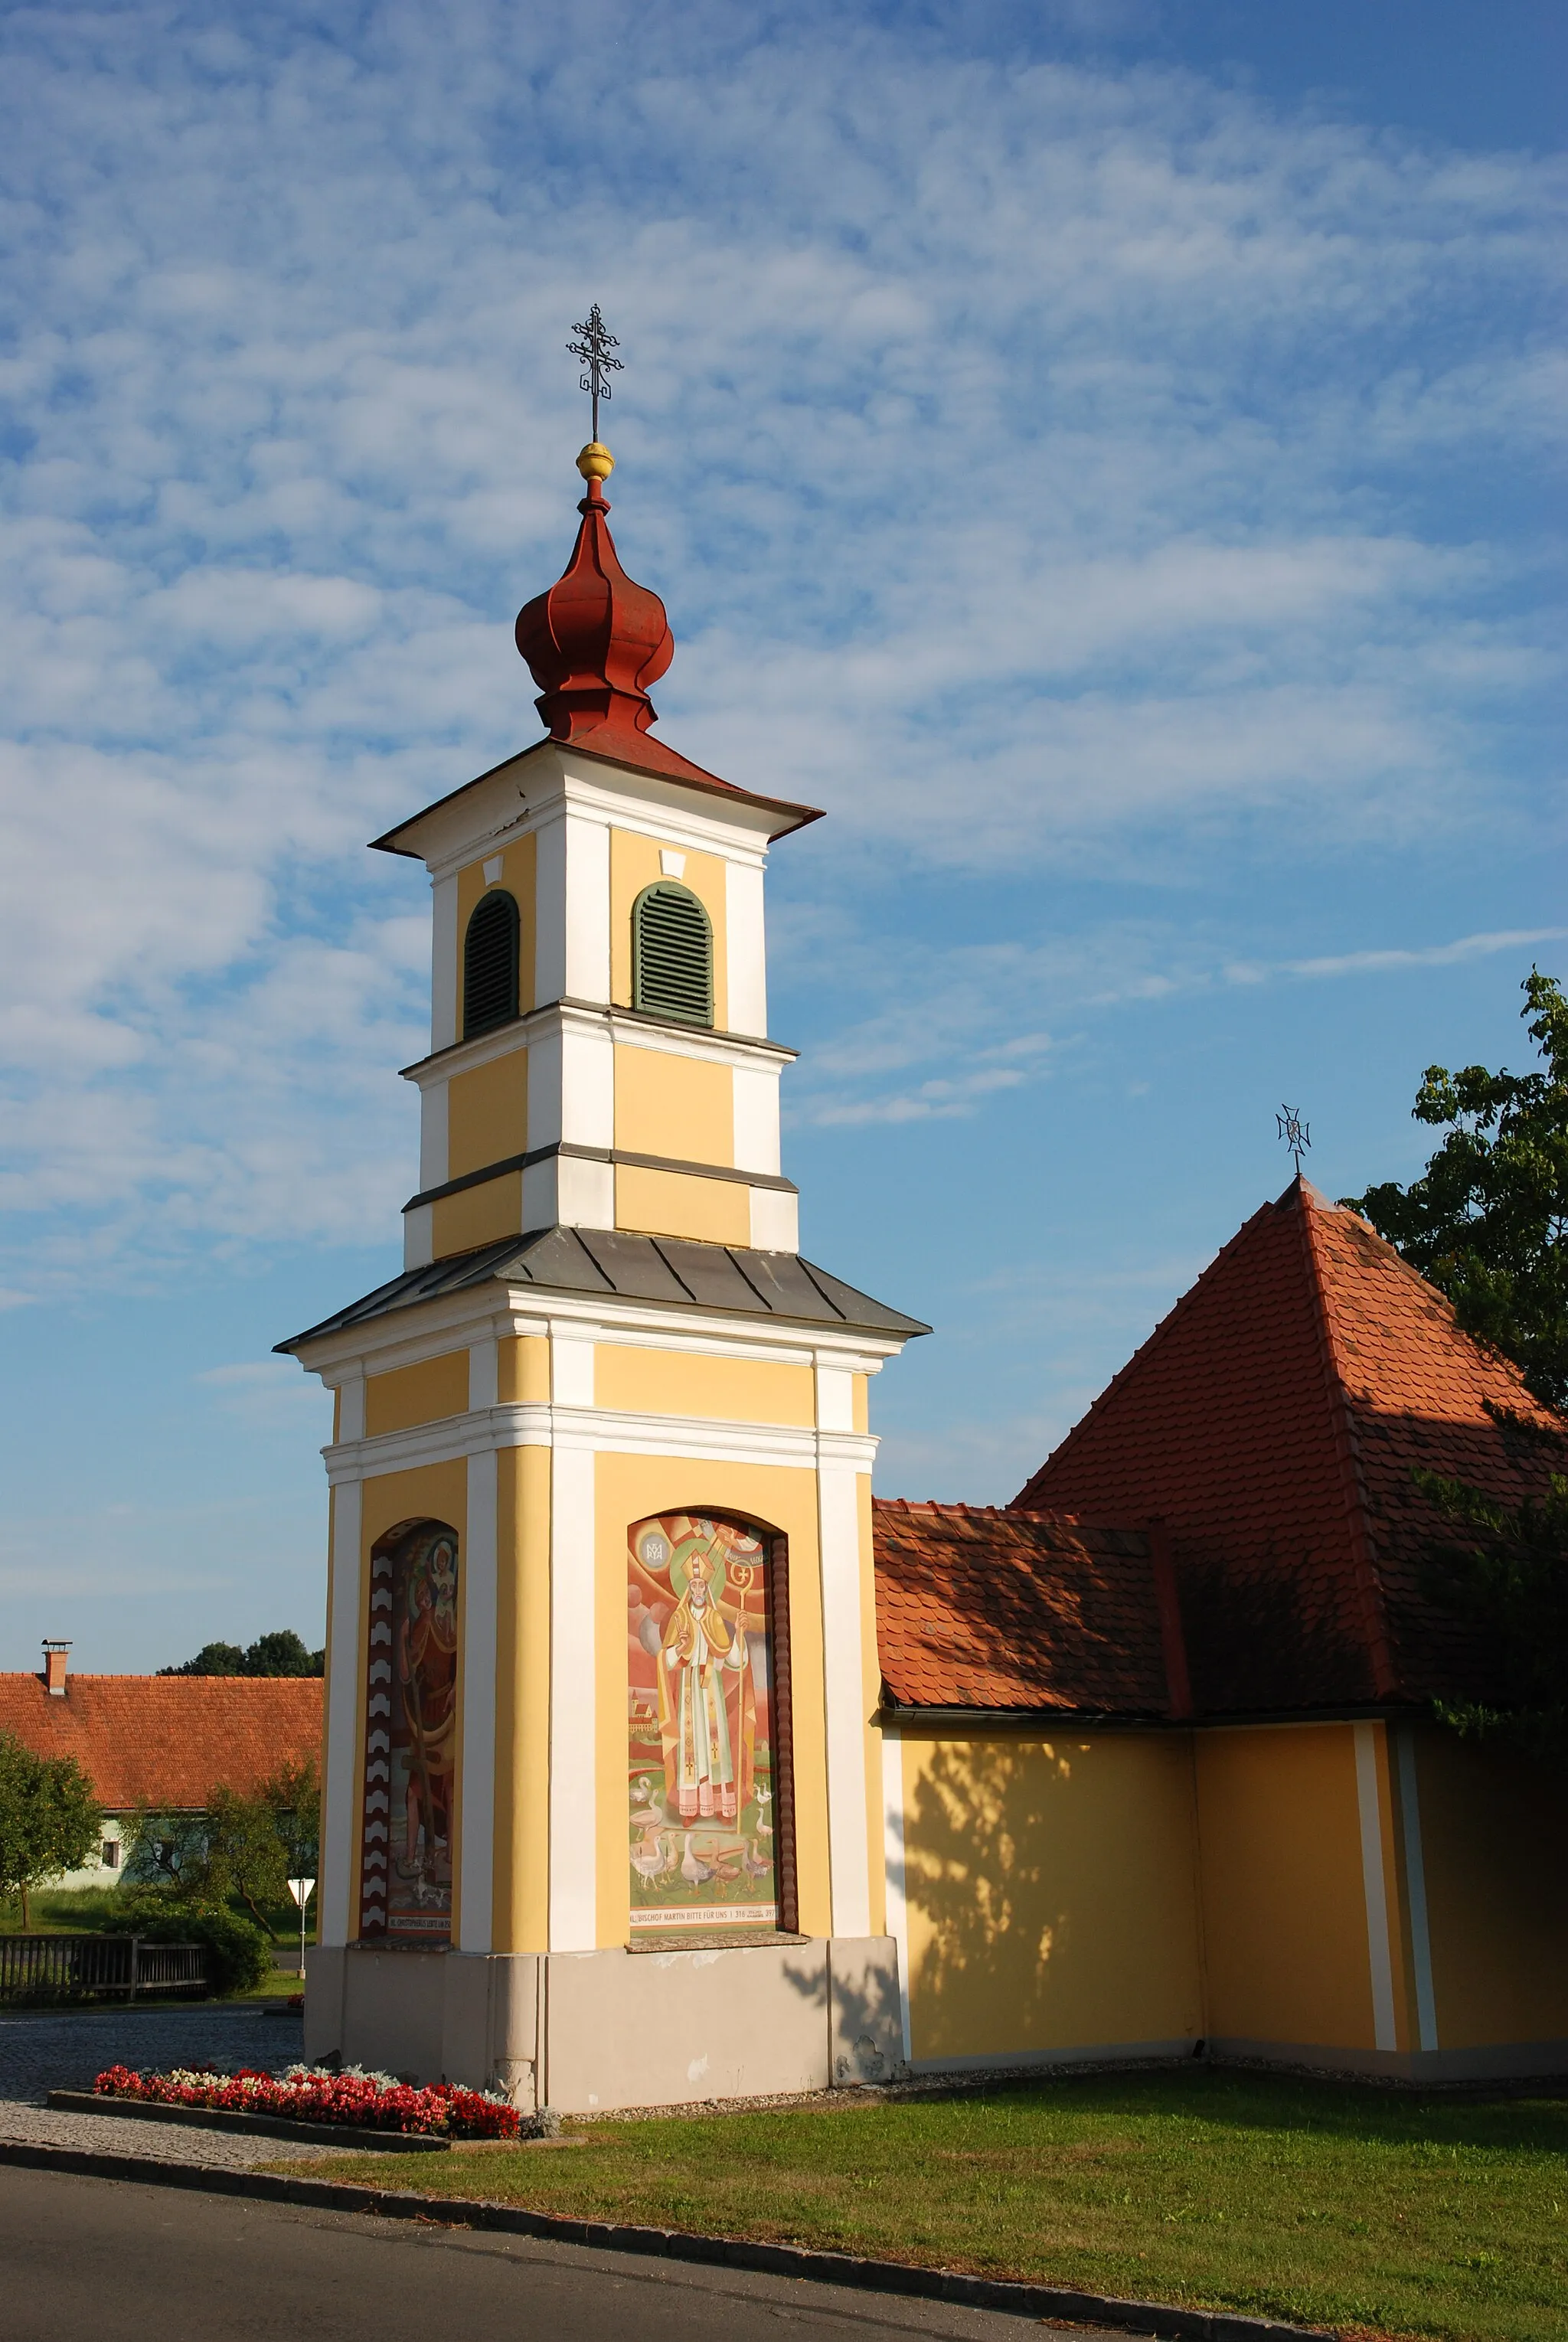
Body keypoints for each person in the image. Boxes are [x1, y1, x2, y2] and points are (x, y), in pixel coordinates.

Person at [657, 1543, 753, 1823]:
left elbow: (736, 1660)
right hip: (688, 1688)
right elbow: (665, 1661)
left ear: (707, 1588)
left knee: (716, 1747)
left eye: (702, 1585)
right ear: (689, 1587)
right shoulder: (679, 1618)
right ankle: (692, 1808)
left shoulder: (714, 1618)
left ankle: (722, 1807)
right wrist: (679, 1647)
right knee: (692, 1748)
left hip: (711, 1686)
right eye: (695, 1585)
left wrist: (740, 1634)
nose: (698, 1590)